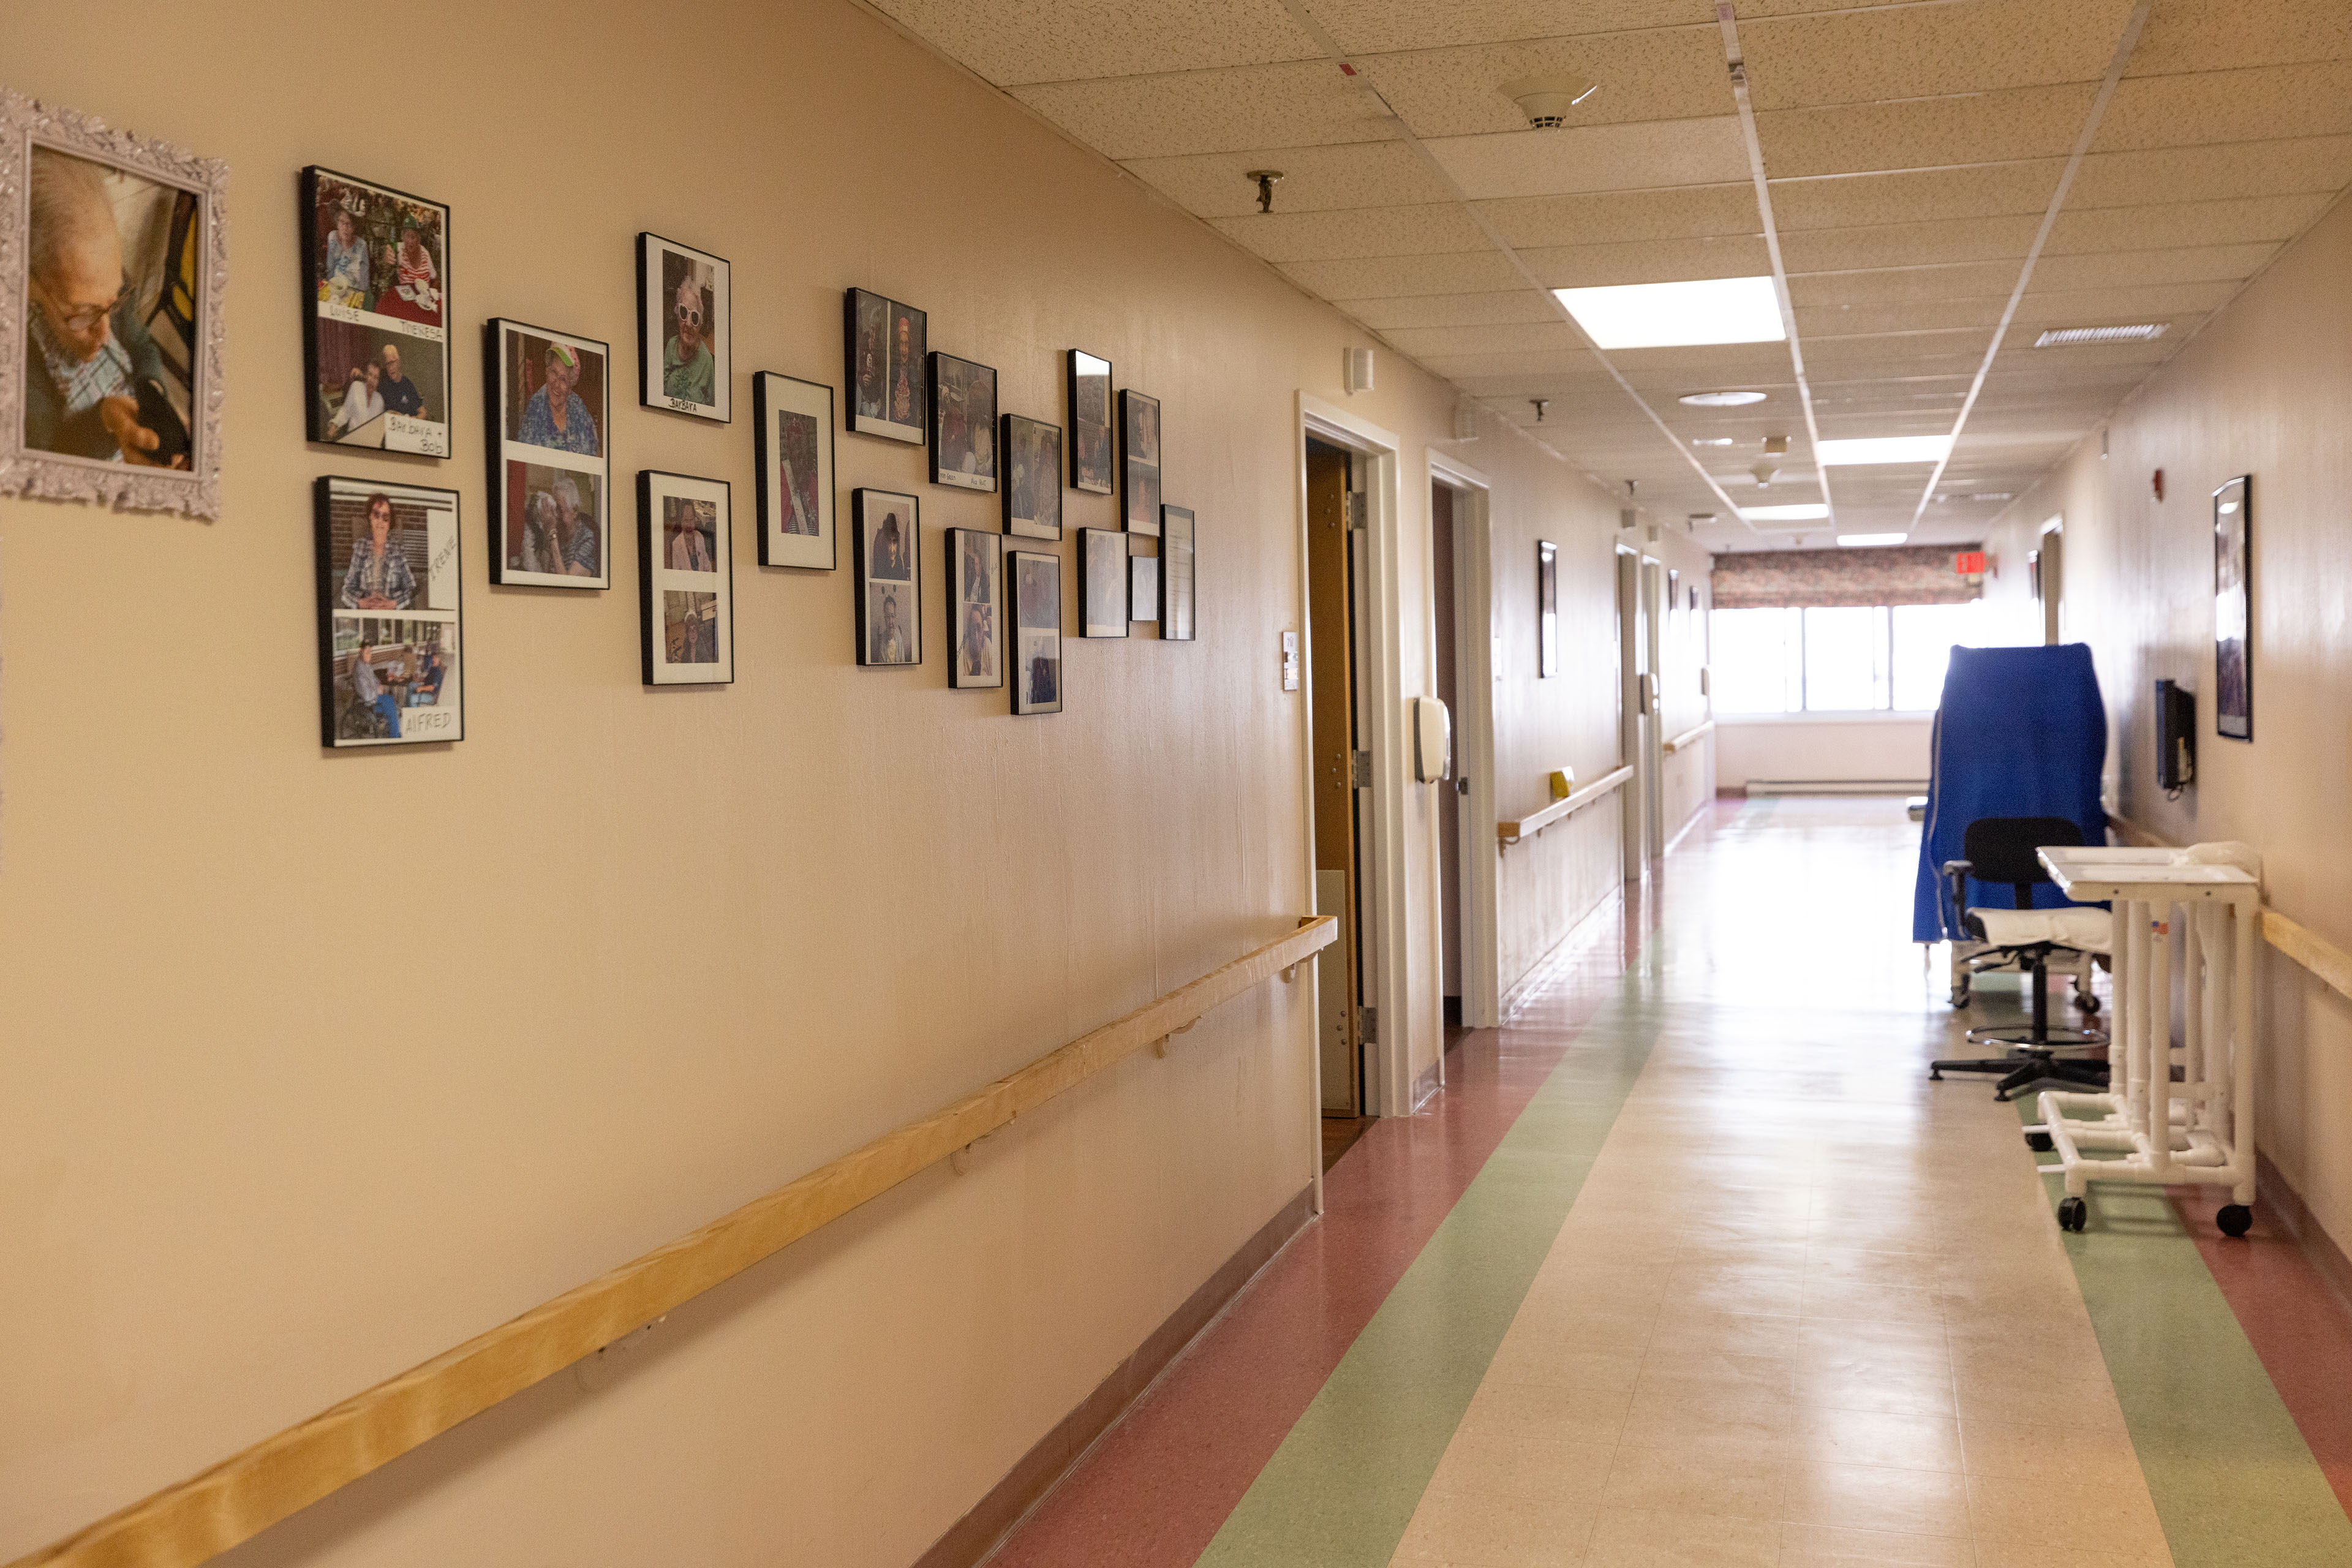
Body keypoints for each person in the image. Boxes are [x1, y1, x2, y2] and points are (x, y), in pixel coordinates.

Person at [23, 149, 182, 466]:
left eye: (114, 302)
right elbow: (44, 459)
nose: (105, 332)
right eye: (82, 314)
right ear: (28, 285)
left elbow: (139, 345)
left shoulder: (107, 285)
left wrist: (151, 394)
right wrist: (106, 419)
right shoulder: (23, 362)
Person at [517, 342, 598, 454]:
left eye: (563, 379)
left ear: (570, 387)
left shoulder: (578, 408)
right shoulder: (536, 408)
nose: (556, 384)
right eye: (554, 372)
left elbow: (593, 452)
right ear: (547, 371)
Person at [340, 492, 417, 609]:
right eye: (376, 515)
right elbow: (347, 591)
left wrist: (394, 604)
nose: (380, 521)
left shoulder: (398, 550)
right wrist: (361, 603)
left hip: (392, 619)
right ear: (370, 517)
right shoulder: (360, 548)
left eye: (385, 517)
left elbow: (411, 589)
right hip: (366, 617)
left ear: (390, 522)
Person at [372, 222, 441, 325]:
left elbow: (435, 279)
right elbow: (386, 256)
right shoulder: (399, 249)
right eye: (407, 236)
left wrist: (430, 296)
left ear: (419, 239)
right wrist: (386, 255)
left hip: (425, 303)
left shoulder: (425, 253)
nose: (410, 241)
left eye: (413, 237)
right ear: (402, 237)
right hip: (406, 302)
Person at [663, 277, 715, 405]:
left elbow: (712, 408)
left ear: (701, 324)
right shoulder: (671, 346)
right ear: (677, 314)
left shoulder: (707, 360)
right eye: (684, 312)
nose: (689, 323)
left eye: (695, 317)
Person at [322, 206, 369, 309]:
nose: (345, 227)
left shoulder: (362, 245)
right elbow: (330, 266)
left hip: (353, 292)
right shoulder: (332, 237)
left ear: (355, 227)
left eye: (350, 224)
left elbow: (364, 278)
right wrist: (330, 287)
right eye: (342, 222)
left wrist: (359, 299)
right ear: (337, 223)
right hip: (335, 288)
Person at [350, 643, 399, 739]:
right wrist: (377, 691)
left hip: (374, 697)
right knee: (391, 705)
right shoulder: (359, 670)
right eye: (367, 652)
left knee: (391, 701)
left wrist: (379, 684)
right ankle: (395, 737)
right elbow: (366, 695)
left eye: (371, 652)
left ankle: (392, 731)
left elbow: (374, 678)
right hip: (368, 703)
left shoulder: (366, 665)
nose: (370, 655)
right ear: (361, 652)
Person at [328, 361, 383, 440]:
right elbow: (345, 411)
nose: (372, 380)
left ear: (378, 381)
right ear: (366, 375)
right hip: (353, 439)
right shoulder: (356, 387)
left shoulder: (380, 400)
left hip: (370, 443)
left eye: (376, 377)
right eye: (370, 375)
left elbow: (378, 429)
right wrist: (334, 425)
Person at [377, 344, 427, 421]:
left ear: (398, 362)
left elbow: (423, 412)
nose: (390, 368)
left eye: (393, 362)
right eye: (387, 364)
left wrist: (415, 419)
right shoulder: (383, 384)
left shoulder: (408, 384)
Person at [667, 501, 714, 571]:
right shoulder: (676, 545)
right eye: (686, 520)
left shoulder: (700, 537)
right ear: (681, 522)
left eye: (691, 520)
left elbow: (707, 566)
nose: (689, 525)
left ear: (695, 521)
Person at [888, 312, 914, 424]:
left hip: (908, 419)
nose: (904, 349)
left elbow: (917, 399)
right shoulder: (892, 367)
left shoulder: (914, 369)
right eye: (901, 344)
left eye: (906, 344)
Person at [872, 590, 911, 664]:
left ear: (895, 617)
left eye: (892, 616)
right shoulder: (882, 639)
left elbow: (903, 663)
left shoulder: (899, 636)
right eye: (888, 617)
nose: (891, 621)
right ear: (885, 618)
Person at [872, 511, 908, 579]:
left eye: (894, 543)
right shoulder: (878, 575)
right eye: (889, 543)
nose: (892, 549)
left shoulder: (901, 571)